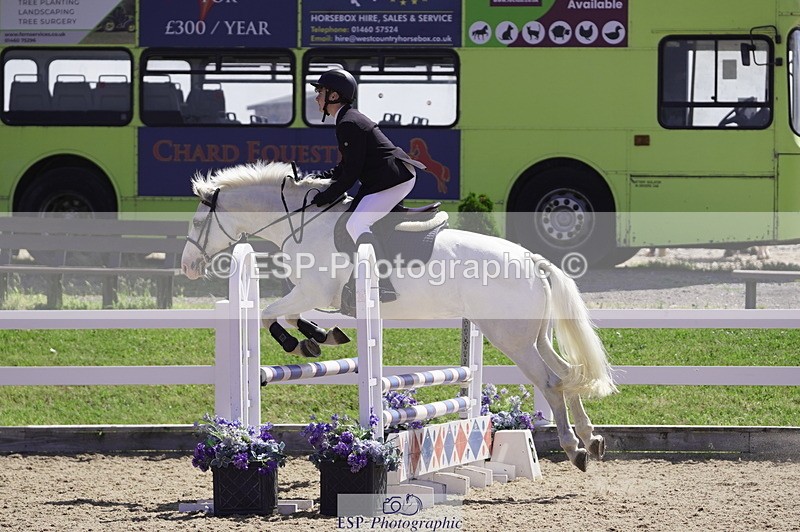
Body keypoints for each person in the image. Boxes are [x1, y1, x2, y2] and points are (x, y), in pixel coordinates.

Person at [309, 68, 426, 303]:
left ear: (333, 96)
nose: (316, 96)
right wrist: (318, 180)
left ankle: (383, 284)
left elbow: (350, 175)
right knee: (352, 218)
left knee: (357, 223)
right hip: (383, 178)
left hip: (393, 179)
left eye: (320, 91)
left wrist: (324, 197)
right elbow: (345, 166)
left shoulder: (348, 123)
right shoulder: (346, 119)